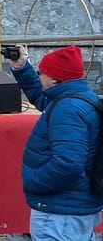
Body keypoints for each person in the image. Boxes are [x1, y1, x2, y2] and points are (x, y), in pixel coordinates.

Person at [8, 45, 103, 241]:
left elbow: (68, 164)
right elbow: (43, 98)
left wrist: (35, 182)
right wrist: (22, 68)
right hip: (75, 206)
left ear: (53, 79)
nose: (39, 76)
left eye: (41, 73)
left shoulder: (67, 108)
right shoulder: (78, 98)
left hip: (59, 213)